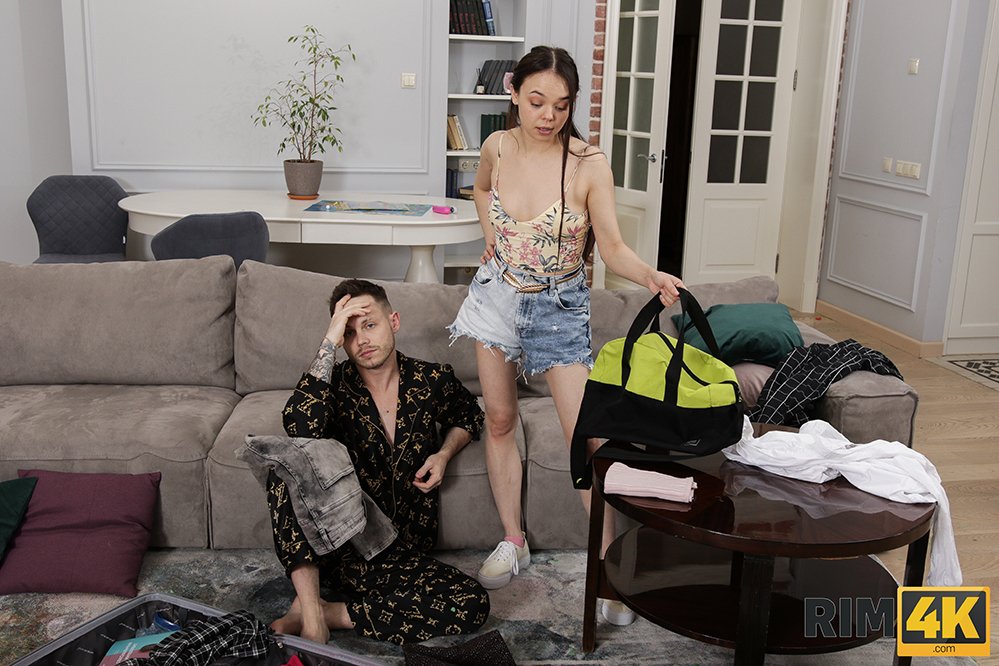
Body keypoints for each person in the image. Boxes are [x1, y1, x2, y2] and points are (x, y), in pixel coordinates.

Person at [448, 46, 685, 622]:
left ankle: (609, 570)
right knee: (498, 420)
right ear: (514, 94)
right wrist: (490, 234)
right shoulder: (496, 146)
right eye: (536, 102)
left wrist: (649, 276)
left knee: (585, 437)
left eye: (561, 104)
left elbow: (613, 247)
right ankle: (514, 539)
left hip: (558, 306)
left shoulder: (588, 165)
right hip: (495, 298)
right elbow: (480, 189)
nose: (548, 116)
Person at [268, 278, 489, 645]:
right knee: (284, 471)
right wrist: (329, 341)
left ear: (394, 321)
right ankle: (311, 615)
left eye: (370, 325)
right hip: (338, 545)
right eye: (349, 333)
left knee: (472, 604)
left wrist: (443, 454)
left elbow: (469, 417)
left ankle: (327, 612)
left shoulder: (431, 379)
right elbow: (299, 427)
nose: (362, 340)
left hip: (398, 550)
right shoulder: (333, 385)